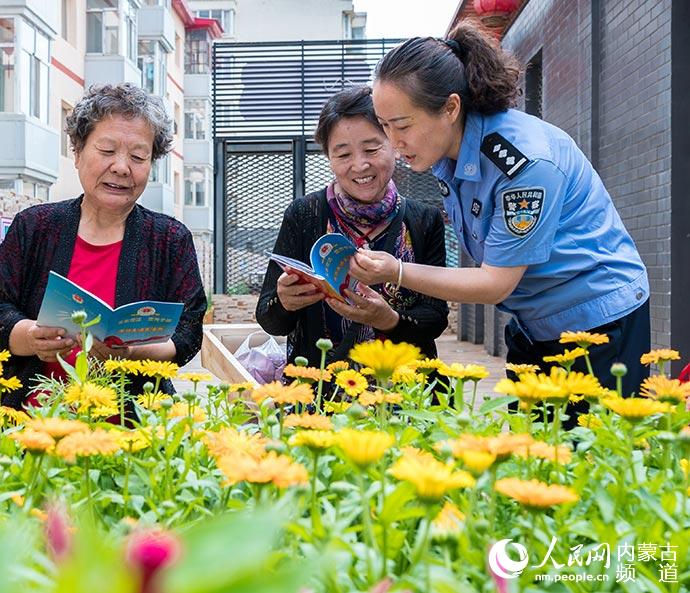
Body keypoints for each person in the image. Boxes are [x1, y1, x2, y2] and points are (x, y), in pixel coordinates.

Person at [350, 20, 651, 420]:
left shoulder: (522, 165)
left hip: (600, 321)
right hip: (534, 323)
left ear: (451, 107)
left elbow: (494, 282)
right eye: (385, 126)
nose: (393, 141)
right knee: (533, 461)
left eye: (402, 126)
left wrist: (396, 271)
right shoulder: (450, 155)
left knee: (596, 460)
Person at [0, 83, 207, 411]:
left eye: (138, 156)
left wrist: (132, 353)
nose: (122, 167)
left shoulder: (170, 240)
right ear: (77, 151)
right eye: (107, 150)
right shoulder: (35, 226)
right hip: (33, 425)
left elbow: (188, 333)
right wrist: (31, 337)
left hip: (136, 430)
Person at [256, 86, 448, 374]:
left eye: (372, 149)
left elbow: (435, 319)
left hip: (407, 398)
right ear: (329, 158)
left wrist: (390, 320)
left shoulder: (424, 220)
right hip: (320, 397)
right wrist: (283, 302)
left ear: (394, 145)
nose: (360, 165)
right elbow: (270, 320)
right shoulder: (304, 215)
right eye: (343, 154)